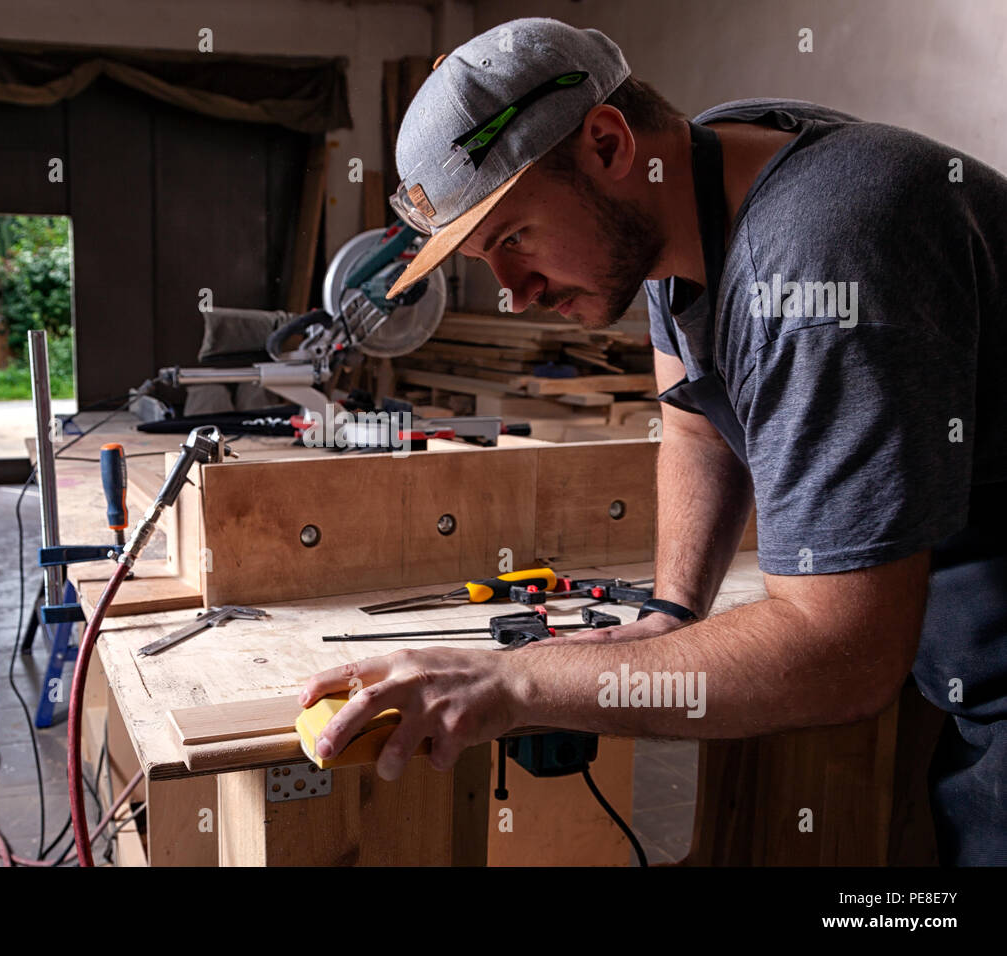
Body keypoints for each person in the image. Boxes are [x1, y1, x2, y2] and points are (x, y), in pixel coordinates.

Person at [300, 17, 1007, 865]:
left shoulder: (820, 258)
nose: (514, 296)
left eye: (514, 238)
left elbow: (842, 652)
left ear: (606, 142)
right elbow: (695, 420)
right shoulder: (700, 182)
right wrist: (669, 616)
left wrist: (513, 683)